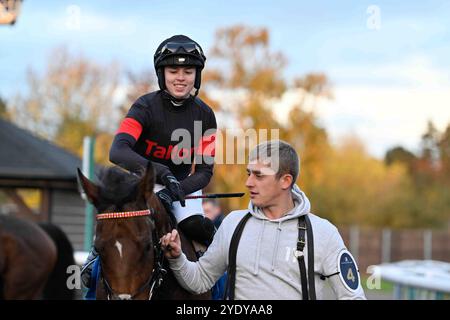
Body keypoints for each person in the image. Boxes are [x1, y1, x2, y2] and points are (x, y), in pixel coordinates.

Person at [81, 34, 217, 290]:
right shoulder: (144, 106)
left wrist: (176, 189)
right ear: (161, 73)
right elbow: (118, 151)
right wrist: (161, 174)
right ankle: (93, 264)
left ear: (196, 76)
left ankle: (221, 291)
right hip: (141, 185)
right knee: (117, 229)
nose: (180, 77)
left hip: (183, 188)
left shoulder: (206, 115)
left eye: (188, 71)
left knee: (200, 229)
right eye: (173, 70)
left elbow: (205, 171)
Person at [161, 140, 367, 300]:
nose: (248, 182)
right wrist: (177, 258)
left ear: (285, 180)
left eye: (259, 176)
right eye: (249, 173)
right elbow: (200, 281)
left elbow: (353, 296)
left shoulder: (323, 233)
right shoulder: (233, 224)